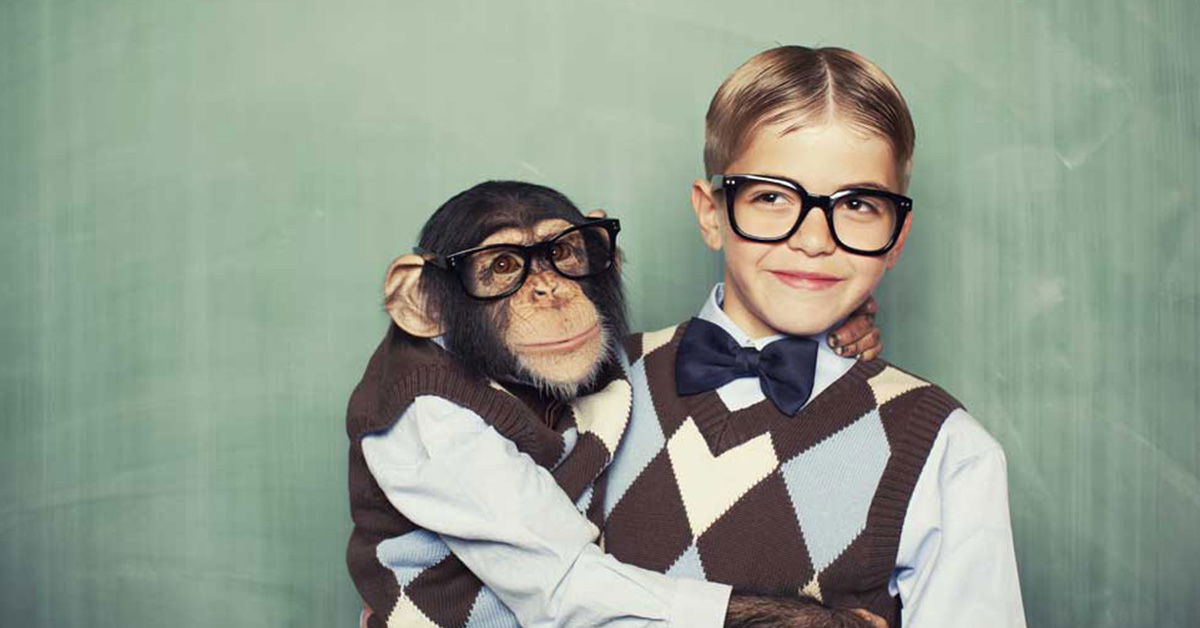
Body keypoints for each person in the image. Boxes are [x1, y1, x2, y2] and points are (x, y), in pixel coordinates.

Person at [598, 46, 1026, 627]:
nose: (815, 240)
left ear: (897, 236)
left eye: (858, 204)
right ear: (711, 213)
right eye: (772, 197)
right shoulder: (591, 385)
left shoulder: (945, 449)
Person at [346, 180, 884, 627]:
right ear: (424, 302)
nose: (550, 291)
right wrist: (800, 622)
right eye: (505, 266)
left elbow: (673, 361)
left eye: (562, 253)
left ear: (606, 259)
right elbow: (569, 592)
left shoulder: (543, 361)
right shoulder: (430, 414)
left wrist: (812, 322)